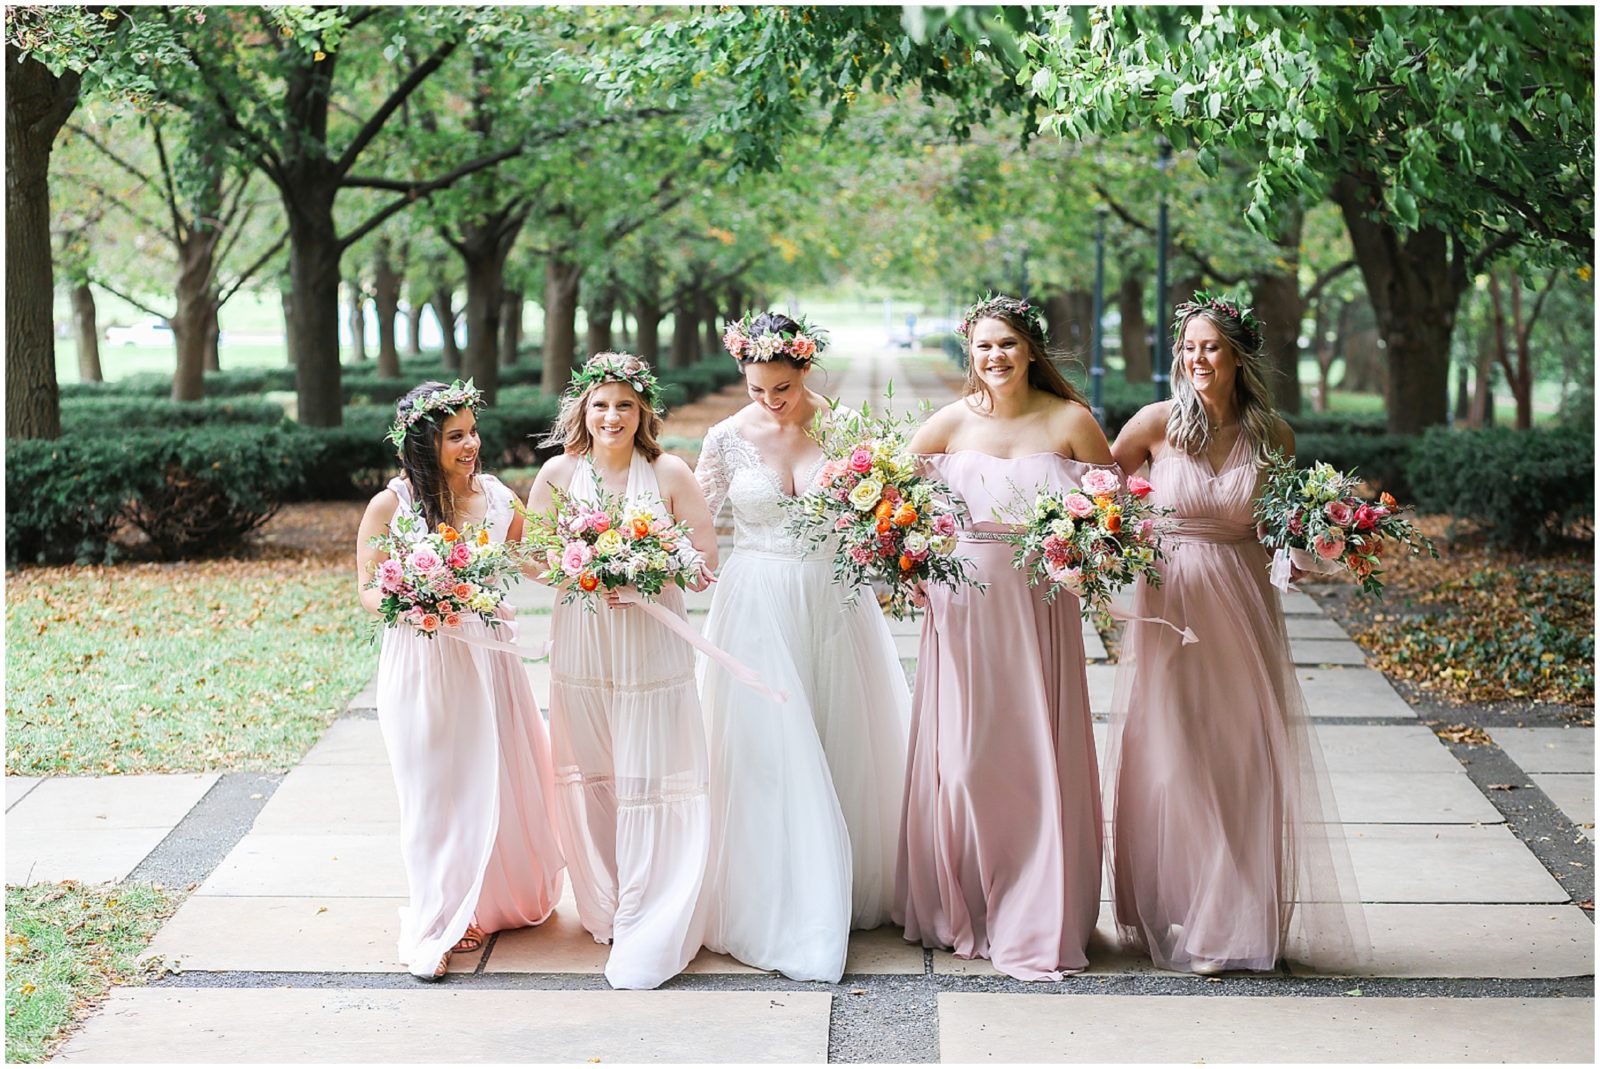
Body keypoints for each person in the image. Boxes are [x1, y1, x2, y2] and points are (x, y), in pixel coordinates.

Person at [1106, 292, 1367, 974]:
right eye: (1189, 347)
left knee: (1241, 755)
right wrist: (1105, 547)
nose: (1197, 358)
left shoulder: (1273, 434)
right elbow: (1096, 492)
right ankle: (1182, 899)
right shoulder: (1154, 425)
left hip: (1245, 602)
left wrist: (1308, 548)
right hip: (1172, 602)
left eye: (1211, 346)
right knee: (1174, 755)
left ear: (1238, 356)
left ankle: (1232, 916)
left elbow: (1282, 522)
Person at [895, 295, 1115, 981]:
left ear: (1031, 351)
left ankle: (1036, 903)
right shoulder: (952, 421)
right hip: (961, 608)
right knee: (964, 760)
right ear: (972, 354)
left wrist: (1084, 555)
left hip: (1038, 609)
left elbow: (1115, 514)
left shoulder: (1071, 421)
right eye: (985, 346)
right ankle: (968, 897)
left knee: (1031, 755)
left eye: (1009, 345)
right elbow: (886, 495)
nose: (996, 357)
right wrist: (912, 560)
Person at [694, 312, 911, 982]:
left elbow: (882, 515)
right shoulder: (725, 438)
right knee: (766, 746)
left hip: (831, 597)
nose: (770, 401)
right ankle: (775, 885)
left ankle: (846, 877)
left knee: (842, 733)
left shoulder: (846, 429)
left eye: (782, 387)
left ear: (805, 367)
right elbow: (696, 528)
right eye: (757, 388)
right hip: (754, 600)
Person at [354, 379, 565, 980]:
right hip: (422, 659)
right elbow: (369, 590)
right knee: (434, 788)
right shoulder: (390, 507)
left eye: (473, 431)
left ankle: (484, 899)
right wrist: (414, 599)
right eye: (455, 436)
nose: (472, 444)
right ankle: (442, 913)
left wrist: (604, 554)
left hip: (489, 656)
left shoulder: (499, 498)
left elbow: (536, 561)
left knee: (495, 776)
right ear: (424, 442)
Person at [525, 351, 719, 990]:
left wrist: (643, 569)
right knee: (595, 767)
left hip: (649, 645)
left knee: (650, 770)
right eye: (601, 404)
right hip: (581, 639)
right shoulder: (557, 472)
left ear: (643, 413)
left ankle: (655, 901)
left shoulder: (669, 472)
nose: (611, 416)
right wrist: (583, 568)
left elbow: (704, 561)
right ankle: (607, 899)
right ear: (582, 408)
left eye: (625, 405)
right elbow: (532, 559)